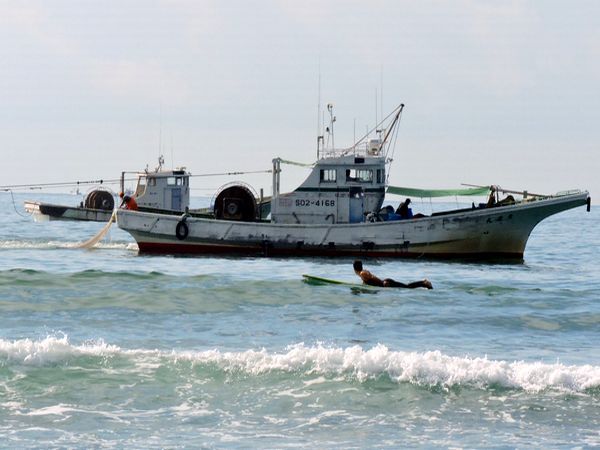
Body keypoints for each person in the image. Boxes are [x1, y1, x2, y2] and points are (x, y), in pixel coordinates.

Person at [353, 260, 433, 289]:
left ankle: (424, 283)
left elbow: (373, 277)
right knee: (406, 287)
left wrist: (382, 283)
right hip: (386, 283)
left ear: (354, 269)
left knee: (407, 287)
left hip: (386, 283)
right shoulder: (362, 273)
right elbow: (370, 280)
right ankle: (423, 283)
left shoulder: (362, 273)